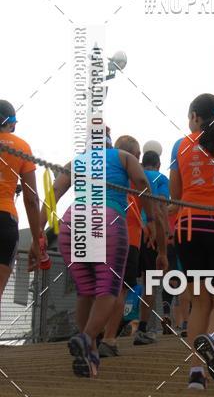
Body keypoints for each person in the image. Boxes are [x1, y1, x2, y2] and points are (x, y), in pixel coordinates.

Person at [42, 132, 167, 377]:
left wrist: (40, 229)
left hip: (73, 220)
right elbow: (142, 183)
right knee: (109, 289)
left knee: (85, 290)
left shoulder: (78, 160)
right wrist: (150, 218)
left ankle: (88, 352)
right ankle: (87, 338)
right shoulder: (123, 157)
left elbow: (55, 190)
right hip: (108, 220)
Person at [171, 93, 214, 391]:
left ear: (196, 117)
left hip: (188, 227)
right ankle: (211, 340)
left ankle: (196, 374)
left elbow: (175, 196)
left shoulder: (182, 145)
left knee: (200, 301)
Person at [99, 135, 144, 357]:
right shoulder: (137, 177)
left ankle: (91, 333)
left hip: (97, 229)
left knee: (99, 285)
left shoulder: (104, 172)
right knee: (120, 289)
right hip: (128, 238)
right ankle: (108, 338)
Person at [0, 101, 41, 308]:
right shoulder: (21, 147)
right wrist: (37, 238)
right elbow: (31, 199)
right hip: (4, 220)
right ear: (12, 124)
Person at [134, 150, 170, 345]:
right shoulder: (161, 178)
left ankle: (106, 334)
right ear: (158, 164)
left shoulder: (133, 174)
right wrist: (165, 234)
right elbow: (161, 207)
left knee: (121, 284)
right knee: (150, 282)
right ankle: (142, 329)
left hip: (130, 229)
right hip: (151, 231)